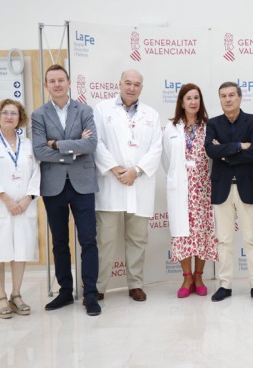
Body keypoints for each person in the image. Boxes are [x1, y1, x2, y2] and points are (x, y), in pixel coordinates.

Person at [32, 64, 101, 316]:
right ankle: (64, 291)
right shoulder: (38, 115)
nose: (57, 84)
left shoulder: (84, 110)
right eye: (52, 81)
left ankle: (90, 293)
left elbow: (91, 144)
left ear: (69, 82)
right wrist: (73, 150)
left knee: (88, 240)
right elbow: (39, 150)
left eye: (61, 80)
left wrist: (57, 144)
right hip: (53, 186)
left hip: (82, 185)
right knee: (60, 242)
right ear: (46, 85)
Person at [93, 69, 163, 302]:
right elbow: (96, 142)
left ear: (142, 87)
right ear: (119, 83)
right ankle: (99, 287)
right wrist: (115, 169)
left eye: (136, 84)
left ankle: (135, 284)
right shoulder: (102, 109)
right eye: (128, 83)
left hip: (139, 183)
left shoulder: (151, 114)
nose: (131, 88)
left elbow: (156, 148)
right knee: (105, 240)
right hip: (111, 184)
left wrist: (136, 171)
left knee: (138, 239)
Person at [0, 99, 40, 319]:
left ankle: (16, 295)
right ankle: (1, 296)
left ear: (19, 118)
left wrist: (26, 200)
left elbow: (36, 173)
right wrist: (7, 200)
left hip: (23, 207)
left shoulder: (28, 144)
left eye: (14, 113)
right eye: (5, 113)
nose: (9, 116)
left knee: (20, 250)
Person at [205, 82, 253, 303]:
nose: (228, 99)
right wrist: (241, 146)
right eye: (223, 96)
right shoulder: (212, 123)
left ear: (240, 98)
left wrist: (225, 151)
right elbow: (210, 150)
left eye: (232, 95)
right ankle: (225, 284)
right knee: (224, 240)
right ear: (219, 99)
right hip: (222, 187)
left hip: (247, 186)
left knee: (251, 239)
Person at [162, 83, 218, 298]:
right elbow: (166, 159)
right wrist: (178, 176)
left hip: (203, 187)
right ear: (182, 102)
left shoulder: (208, 126)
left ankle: (199, 276)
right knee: (182, 234)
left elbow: (214, 154)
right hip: (180, 189)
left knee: (202, 232)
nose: (193, 102)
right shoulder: (171, 127)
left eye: (196, 98)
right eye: (189, 98)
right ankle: (186, 278)